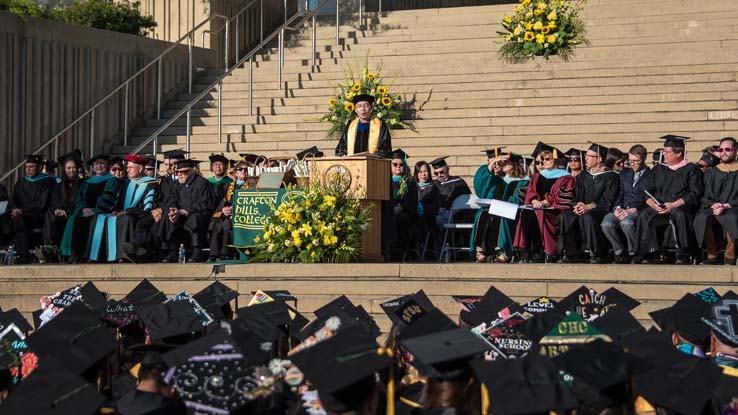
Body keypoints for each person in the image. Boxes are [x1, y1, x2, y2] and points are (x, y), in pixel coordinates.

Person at [636, 135, 703, 265]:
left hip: (681, 205)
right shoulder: (658, 169)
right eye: (663, 151)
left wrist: (673, 204)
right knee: (644, 214)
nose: (664, 155)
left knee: (680, 214)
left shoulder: (692, 169)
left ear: (678, 153)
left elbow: (695, 193)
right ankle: (649, 253)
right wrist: (653, 204)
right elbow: (647, 191)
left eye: (667, 152)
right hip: (659, 206)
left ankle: (683, 253)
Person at [87, 155, 158, 263]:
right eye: (127, 167)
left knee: (125, 219)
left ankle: (122, 255)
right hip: (123, 212)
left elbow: (147, 207)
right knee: (99, 218)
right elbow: (118, 201)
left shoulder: (151, 184)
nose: (127, 170)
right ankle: (97, 256)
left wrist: (126, 211)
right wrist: (116, 210)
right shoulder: (125, 183)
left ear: (140, 168)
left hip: (138, 215)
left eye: (130, 167)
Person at [558, 143, 620, 264]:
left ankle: (595, 253)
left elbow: (608, 199)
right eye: (586, 155)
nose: (585, 158)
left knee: (588, 216)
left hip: (600, 210)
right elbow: (575, 196)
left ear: (600, 159)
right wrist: (577, 205)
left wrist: (589, 206)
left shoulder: (611, 176)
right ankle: (571, 253)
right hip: (583, 208)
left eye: (589, 156)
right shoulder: (583, 176)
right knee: (565, 216)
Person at [513, 143, 576, 263]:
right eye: (542, 159)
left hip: (553, 210)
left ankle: (544, 251)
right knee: (526, 212)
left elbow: (564, 197)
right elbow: (530, 192)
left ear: (556, 159)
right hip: (537, 207)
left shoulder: (566, 178)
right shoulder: (537, 176)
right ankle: (528, 251)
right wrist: (534, 200)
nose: (544, 162)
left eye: (548, 159)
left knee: (539, 214)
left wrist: (546, 202)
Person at [60, 154, 121, 262]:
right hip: (85, 211)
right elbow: (80, 198)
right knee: (73, 218)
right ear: (93, 167)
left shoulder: (112, 180)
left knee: (91, 221)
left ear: (107, 165)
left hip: (101, 211)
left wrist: (95, 210)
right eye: (96, 164)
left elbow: (108, 198)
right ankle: (69, 253)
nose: (99, 166)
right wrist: (83, 209)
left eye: (101, 163)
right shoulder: (87, 182)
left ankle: (86, 255)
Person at [601, 144, 651, 264]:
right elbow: (620, 194)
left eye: (636, 161)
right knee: (606, 223)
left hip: (638, 210)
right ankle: (620, 252)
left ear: (644, 159)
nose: (632, 164)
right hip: (623, 208)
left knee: (627, 222)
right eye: (630, 160)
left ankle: (635, 252)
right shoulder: (624, 174)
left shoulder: (651, 175)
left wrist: (633, 209)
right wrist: (617, 208)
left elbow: (650, 197)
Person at [158, 159, 215, 263]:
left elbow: (206, 203)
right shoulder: (176, 184)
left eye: (182, 172)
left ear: (191, 171)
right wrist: (173, 210)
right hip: (180, 214)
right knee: (168, 216)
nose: (179, 174)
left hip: (198, 214)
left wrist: (186, 211)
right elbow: (171, 199)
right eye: (177, 172)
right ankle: (172, 251)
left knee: (194, 218)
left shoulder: (202, 183)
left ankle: (197, 251)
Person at [4, 155, 58, 263]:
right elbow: (13, 201)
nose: (28, 169)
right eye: (26, 167)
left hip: (38, 215)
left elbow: (43, 203)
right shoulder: (21, 182)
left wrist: (22, 211)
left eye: (31, 167)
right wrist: (14, 209)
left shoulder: (48, 182)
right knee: (4, 219)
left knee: (18, 219)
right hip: (20, 214)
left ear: (39, 167)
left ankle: (23, 256)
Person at [693, 137, 738, 265]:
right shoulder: (713, 172)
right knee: (702, 216)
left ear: (736, 151)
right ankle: (712, 255)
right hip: (715, 207)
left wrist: (728, 205)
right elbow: (706, 194)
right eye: (721, 149)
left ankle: (730, 256)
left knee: (732, 217)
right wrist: (714, 205)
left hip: (734, 207)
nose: (724, 152)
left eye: (728, 149)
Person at [42, 150, 85, 251]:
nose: (71, 170)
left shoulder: (82, 184)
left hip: (73, 212)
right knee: (50, 214)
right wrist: (56, 209)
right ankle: (49, 246)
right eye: (68, 168)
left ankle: (53, 248)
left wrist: (67, 211)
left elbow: (80, 202)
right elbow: (54, 202)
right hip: (61, 212)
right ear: (64, 169)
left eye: (74, 168)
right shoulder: (58, 186)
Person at [208, 160, 249, 261]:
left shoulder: (252, 186)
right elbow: (223, 201)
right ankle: (214, 254)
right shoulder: (228, 186)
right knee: (217, 221)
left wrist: (233, 209)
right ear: (235, 173)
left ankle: (225, 254)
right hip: (227, 214)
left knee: (226, 223)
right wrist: (223, 209)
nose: (243, 171)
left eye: (246, 169)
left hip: (242, 213)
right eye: (240, 169)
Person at [470, 149, 506, 263]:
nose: (495, 165)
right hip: (486, 207)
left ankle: (500, 251)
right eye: (493, 162)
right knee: (483, 215)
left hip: (503, 208)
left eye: (498, 162)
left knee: (500, 217)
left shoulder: (506, 174)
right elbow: (481, 189)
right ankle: (480, 251)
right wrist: (490, 170)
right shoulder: (483, 171)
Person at [383, 149, 418, 259]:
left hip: (405, 213)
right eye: (395, 164)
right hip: (389, 213)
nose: (398, 167)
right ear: (390, 166)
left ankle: (400, 251)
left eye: (401, 164)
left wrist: (400, 207)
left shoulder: (409, 183)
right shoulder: (384, 181)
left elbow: (413, 202)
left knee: (400, 219)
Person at [495, 154, 529, 263]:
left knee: (505, 216)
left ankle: (505, 252)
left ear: (514, 165)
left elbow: (519, 199)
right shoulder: (500, 180)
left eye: (506, 163)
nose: (503, 165)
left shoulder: (524, 181)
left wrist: (505, 203)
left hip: (516, 210)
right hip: (499, 208)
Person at [430, 156, 471, 230]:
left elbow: (467, 198)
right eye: (436, 173)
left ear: (447, 169)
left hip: (455, 214)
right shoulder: (434, 184)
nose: (439, 175)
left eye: (441, 172)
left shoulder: (458, 182)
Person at [414, 161, 440, 258]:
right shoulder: (412, 186)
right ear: (416, 173)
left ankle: (422, 246)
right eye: (420, 172)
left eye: (425, 171)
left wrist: (422, 208)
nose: (423, 174)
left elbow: (435, 207)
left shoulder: (434, 188)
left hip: (428, 218)